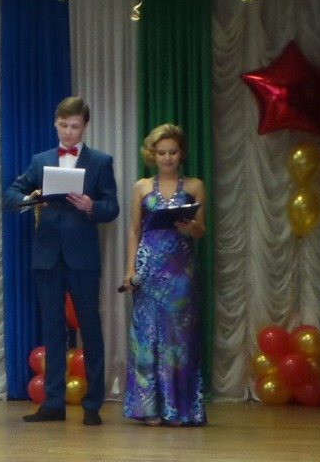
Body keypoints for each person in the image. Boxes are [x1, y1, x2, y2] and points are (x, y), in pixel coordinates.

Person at [3, 96, 119, 426]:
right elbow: (11, 194)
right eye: (64, 125)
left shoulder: (100, 161)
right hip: (47, 256)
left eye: (75, 126)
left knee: (90, 328)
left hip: (83, 256)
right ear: (55, 123)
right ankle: (53, 402)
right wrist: (31, 198)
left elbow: (112, 207)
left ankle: (93, 403)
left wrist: (91, 206)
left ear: (85, 127)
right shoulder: (41, 160)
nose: (68, 132)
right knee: (53, 329)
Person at [122, 124, 207, 427]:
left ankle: (179, 408)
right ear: (152, 155)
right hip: (148, 267)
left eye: (172, 152)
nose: (167, 157)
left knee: (179, 338)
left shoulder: (195, 185)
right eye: (161, 153)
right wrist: (130, 269)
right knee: (147, 336)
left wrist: (191, 227)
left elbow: (201, 230)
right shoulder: (141, 186)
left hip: (180, 270)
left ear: (181, 154)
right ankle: (149, 408)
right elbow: (134, 231)